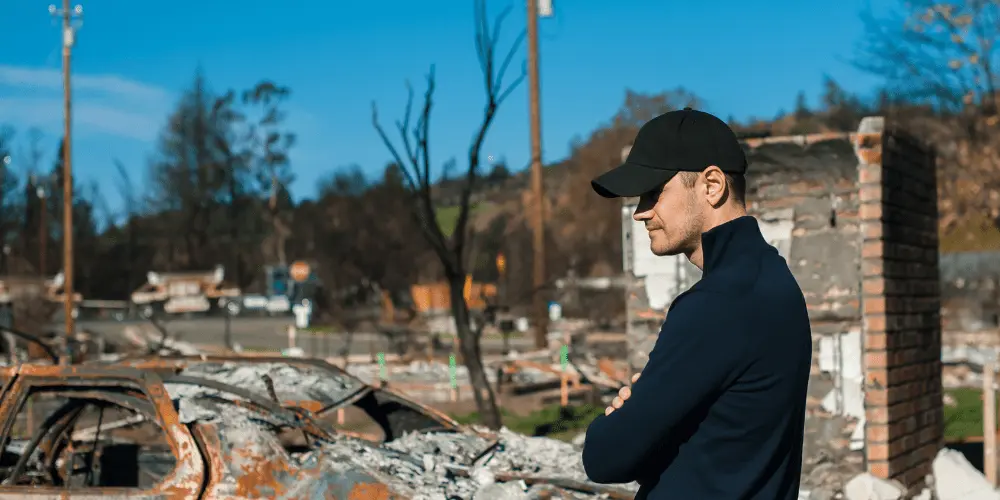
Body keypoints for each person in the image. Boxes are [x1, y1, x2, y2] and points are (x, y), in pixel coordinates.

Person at [581, 108, 812, 499]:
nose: (640, 212)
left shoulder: (717, 305)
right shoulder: (774, 281)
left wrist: (623, 418)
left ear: (712, 185)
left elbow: (605, 458)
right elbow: (721, 444)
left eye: (654, 192)